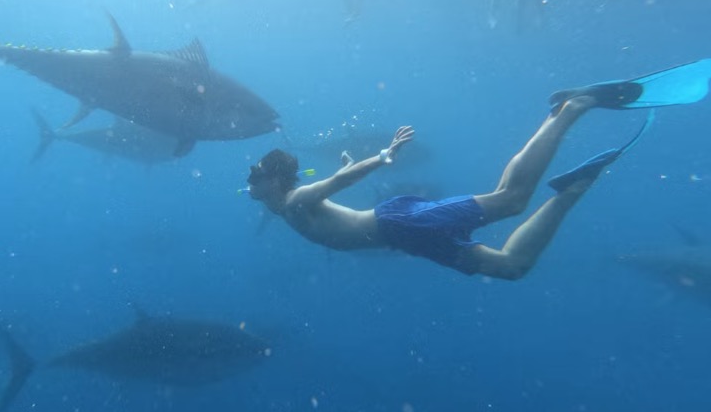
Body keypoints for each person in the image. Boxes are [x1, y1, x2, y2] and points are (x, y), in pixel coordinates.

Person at [245, 60, 711, 279]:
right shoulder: (296, 203)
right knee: (512, 267)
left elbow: (336, 184)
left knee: (511, 198)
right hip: (405, 234)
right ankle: (573, 190)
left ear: (275, 181)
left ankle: (572, 108)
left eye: (254, 175)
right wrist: (354, 161)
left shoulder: (294, 202)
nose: (249, 181)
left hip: (401, 223)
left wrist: (380, 158)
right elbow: (335, 190)